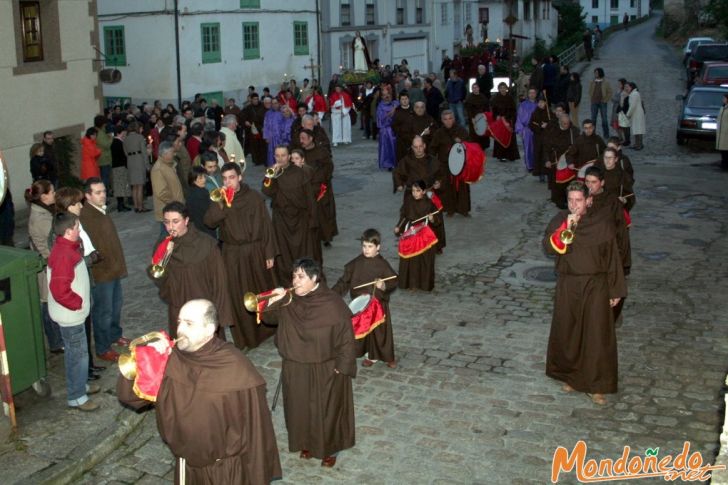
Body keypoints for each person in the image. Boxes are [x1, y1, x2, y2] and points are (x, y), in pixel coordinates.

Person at [117, 299, 282, 483]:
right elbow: (129, 397)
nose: (180, 329)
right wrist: (144, 363)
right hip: (186, 466)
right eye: (179, 322)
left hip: (224, 471)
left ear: (209, 329)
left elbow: (256, 429)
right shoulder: (169, 360)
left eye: (189, 324)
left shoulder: (236, 367)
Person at [264, 258, 357, 468]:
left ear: (314, 279)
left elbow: (346, 338)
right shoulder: (289, 300)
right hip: (295, 365)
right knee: (299, 408)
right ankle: (305, 442)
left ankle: (329, 449)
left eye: (301, 277)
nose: (295, 281)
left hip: (325, 367)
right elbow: (269, 320)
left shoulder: (332, 303)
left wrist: (342, 367)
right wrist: (274, 300)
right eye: (294, 276)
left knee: (326, 411)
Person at [543, 181, 626, 406]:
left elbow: (612, 257)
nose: (574, 205)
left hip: (596, 284)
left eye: (578, 200)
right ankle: (572, 377)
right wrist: (566, 227)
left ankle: (596, 385)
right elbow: (548, 247)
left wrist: (615, 288)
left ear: (588, 200)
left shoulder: (601, 223)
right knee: (570, 332)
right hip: (569, 284)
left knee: (596, 335)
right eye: (570, 200)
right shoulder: (560, 219)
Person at [203, 162, 279, 349]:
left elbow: (266, 226)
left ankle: (269, 328)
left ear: (240, 177)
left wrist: (269, 253)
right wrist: (220, 203)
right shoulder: (221, 199)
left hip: (255, 251)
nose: (228, 182)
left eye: (232, 177)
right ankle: (246, 338)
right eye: (225, 178)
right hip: (233, 253)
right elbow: (209, 222)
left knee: (261, 288)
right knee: (238, 294)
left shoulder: (254, 197)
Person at [149, 202, 232, 339]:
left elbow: (219, 281)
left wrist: (221, 315)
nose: (170, 227)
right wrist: (163, 257)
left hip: (203, 306)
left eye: (175, 221)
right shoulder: (162, 245)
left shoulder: (206, 243)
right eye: (167, 222)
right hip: (178, 308)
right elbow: (159, 279)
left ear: (186, 220)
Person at [47, 213, 101, 411]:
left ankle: (80, 385)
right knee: (77, 356)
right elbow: (60, 290)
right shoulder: (63, 254)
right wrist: (78, 303)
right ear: (68, 231)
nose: (80, 230)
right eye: (77, 227)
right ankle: (77, 397)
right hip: (70, 315)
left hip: (72, 314)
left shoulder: (67, 247)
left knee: (79, 353)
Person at [79, 178, 129, 362]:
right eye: (98, 193)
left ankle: (115, 335)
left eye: (104, 191)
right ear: (88, 195)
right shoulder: (86, 216)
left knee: (116, 305)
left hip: (114, 269)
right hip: (102, 272)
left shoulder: (100, 210)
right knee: (103, 311)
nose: (103, 195)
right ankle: (102, 347)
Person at [333, 229, 398, 368]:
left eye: (370, 246)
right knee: (365, 331)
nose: (366, 250)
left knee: (380, 333)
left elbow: (393, 281)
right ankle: (370, 356)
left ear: (378, 247)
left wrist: (383, 285)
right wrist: (331, 295)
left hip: (378, 305)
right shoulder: (356, 263)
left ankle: (388, 356)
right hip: (362, 305)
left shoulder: (382, 264)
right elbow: (344, 281)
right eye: (364, 246)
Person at [262, 146, 321, 283]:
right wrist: (271, 175)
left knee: (302, 250)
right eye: (277, 155)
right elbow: (266, 191)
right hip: (281, 219)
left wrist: (313, 220)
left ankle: (304, 278)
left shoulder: (300, 173)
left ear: (289, 157)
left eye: (283, 155)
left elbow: (309, 198)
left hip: (300, 219)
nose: (280, 158)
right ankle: (285, 280)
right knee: (283, 252)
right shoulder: (272, 172)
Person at [584, 166, 632, 326]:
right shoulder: (581, 198)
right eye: (587, 181)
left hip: (609, 252)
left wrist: (622, 258)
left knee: (610, 288)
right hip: (589, 254)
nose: (590, 185)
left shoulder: (612, 202)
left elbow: (621, 232)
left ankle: (612, 318)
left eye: (594, 182)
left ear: (602, 183)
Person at [26, 181, 63, 354]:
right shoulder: (41, 218)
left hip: (50, 264)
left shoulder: (44, 211)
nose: (55, 194)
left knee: (50, 302)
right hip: (48, 266)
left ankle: (57, 339)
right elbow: (52, 242)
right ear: (43, 196)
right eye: (52, 191)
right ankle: (55, 342)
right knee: (48, 304)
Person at [395, 181, 441, 291]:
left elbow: (438, 221)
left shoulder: (429, 204)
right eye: (413, 191)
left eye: (418, 191)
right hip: (410, 231)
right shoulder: (408, 201)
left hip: (423, 232)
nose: (415, 193)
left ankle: (423, 284)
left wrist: (432, 219)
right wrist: (398, 226)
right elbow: (404, 216)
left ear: (424, 191)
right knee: (410, 258)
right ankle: (411, 283)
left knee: (422, 259)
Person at [300, 129, 338, 247]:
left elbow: (329, 167)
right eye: (300, 138)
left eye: (303, 138)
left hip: (321, 187)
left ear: (311, 139)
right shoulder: (299, 153)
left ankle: (326, 237)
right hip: (306, 188)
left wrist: (321, 180)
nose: (301, 141)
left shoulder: (322, 152)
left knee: (323, 213)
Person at [429, 109, 470, 219]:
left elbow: (470, 145)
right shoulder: (439, 133)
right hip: (444, 164)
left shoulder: (461, 130)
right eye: (445, 119)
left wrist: (461, 142)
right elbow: (432, 149)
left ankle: (463, 209)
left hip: (460, 164)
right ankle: (449, 209)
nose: (448, 121)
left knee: (462, 187)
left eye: (450, 118)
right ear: (442, 120)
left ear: (454, 119)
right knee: (447, 187)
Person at [544, 113, 580, 209]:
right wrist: (547, 160)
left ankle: (568, 199)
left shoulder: (574, 131)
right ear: (560, 122)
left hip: (569, 160)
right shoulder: (553, 131)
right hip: (555, 160)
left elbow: (578, 146)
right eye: (564, 123)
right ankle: (558, 201)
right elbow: (547, 147)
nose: (566, 125)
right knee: (557, 184)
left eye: (568, 123)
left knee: (569, 182)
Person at [151, 141, 185, 234]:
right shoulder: (158, 169)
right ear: (165, 154)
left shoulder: (168, 165)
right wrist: (174, 205)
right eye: (172, 152)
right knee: (166, 237)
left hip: (174, 209)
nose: (174, 154)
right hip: (168, 211)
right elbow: (161, 192)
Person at [595, 147, 636, 212]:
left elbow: (630, 197)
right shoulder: (597, 173)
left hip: (615, 211)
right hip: (598, 209)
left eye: (610, 158)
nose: (607, 160)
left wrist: (624, 201)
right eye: (605, 157)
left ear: (616, 159)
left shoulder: (622, 175)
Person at [124, 121, 150, 212]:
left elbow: (125, 152)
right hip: (139, 160)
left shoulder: (126, 138)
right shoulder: (140, 137)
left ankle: (135, 206)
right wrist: (147, 165)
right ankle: (140, 207)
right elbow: (144, 152)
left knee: (134, 186)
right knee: (140, 186)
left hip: (130, 161)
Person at [490, 82, 520, 162]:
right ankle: (501, 155)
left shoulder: (510, 98)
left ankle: (511, 155)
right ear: (499, 89)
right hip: (500, 122)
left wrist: (510, 119)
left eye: (504, 87)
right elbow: (494, 111)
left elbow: (514, 110)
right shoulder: (495, 98)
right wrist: (496, 116)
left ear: (506, 88)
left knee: (510, 139)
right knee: (501, 138)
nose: (503, 89)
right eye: (501, 88)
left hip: (509, 121)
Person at [186, 166, 216, 239]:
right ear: (193, 180)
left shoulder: (191, 191)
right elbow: (209, 214)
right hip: (205, 230)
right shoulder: (201, 194)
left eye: (204, 177)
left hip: (197, 230)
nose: (204, 180)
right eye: (200, 178)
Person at [516, 88, 539, 172]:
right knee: (528, 147)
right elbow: (519, 117)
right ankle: (529, 165)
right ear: (528, 94)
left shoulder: (539, 104)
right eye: (530, 93)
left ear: (536, 94)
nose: (532, 94)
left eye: (533, 93)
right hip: (527, 129)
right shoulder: (523, 105)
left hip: (537, 130)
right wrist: (520, 129)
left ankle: (537, 164)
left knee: (537, 147)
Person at [240, 93, 268, 166]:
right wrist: (245, 121)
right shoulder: (248, 108)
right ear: (251, 100)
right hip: (253, 129)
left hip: (261, 128)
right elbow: (242, 116)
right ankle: (256, 161)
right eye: (254, 99)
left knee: (262, 145)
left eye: (257, 99)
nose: (256, 100)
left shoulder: (262, 106)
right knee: (254, 146)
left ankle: (263, 159)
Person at [529, 96, 551, 182]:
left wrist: (547, 125)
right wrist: (539, 127)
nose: (541, 104)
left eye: (543, 102)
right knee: (538, 154)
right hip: (538, 137)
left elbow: (553, 122)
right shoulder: (535, 113)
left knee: (546, 155)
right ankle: (540, 173)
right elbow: (531, 124)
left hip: (547, 137)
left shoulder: (549, 112)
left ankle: (547, 173)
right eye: (540, 102)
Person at [376, 87, 399, 171]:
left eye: (388, 94)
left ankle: (396, 163)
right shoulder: (380, 106)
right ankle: (389, 164)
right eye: (384, 95)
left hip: (395, 130)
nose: (386, 96)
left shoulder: (395, 103)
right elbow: (380, 119)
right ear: (382, 97)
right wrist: (390, 113)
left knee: (395, 148)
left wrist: (394, 108)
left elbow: (399, 104)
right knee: (387, 148)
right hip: (385, 130)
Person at [110, 125, 131, 212]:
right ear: (119, 133)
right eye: (123, 132)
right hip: (119, 166)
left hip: (118, 165)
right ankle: (120, 205)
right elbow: (122, 155)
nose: (125, 134)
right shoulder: (117, 142)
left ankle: (122, 205)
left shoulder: (116, 142)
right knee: (120, 186)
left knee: (120, 186)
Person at [464, 83, 491, 150]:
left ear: (478, 88)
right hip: (474, 118)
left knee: (482, 132)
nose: (475, 89)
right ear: (472, 89)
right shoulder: (469, 98)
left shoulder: (483, 97)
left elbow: (486, 108)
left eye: (476, 87)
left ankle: (483, 146)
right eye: (473, 88)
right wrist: (472, 118)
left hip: (482, 118)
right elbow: (469, 110)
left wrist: (485, 116)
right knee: (474, 133)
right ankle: (475, 146)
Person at [589, 68, 613, 139]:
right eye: (595, 73)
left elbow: (610, 92)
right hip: (594, 102)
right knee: (593, 119)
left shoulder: (606, 82)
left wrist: (605, 100)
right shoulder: (592, 81)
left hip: (602, 103)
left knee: (604, 119)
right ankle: (592, 134)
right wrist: (591, 98)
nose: (595, 74)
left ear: (600, 73)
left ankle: (606, 134)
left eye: (597, 72)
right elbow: (590, 91)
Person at [94, 115, 113, 190]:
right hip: (103, 160)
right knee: (104, 179)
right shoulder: (99, 133)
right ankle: (105, 196)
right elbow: (106, 145)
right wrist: (111, 138)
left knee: (105, 178)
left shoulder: (100, 131)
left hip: (103, 159)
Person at [624, 82, 645, 150]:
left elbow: (632, 106)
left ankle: (639, 145)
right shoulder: (633, 94)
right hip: (635, 114)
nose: (626, 88)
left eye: (627, 87)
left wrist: (628, 114)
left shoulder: (635, 94)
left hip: (637, 114)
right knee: (636, 129)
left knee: (638, 129)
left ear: (631, 87)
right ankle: (637, 143)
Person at [718, 94, 728, 171]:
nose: (723, 99)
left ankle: (725, 165)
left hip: (726, 132)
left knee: (726, 149)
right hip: (721, 132)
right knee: (723, 149)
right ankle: (723, 163)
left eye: (724, 98)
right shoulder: (723, 107)